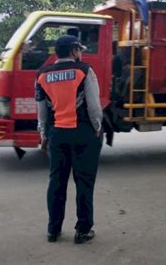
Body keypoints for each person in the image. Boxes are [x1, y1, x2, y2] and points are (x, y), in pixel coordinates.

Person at [35, 35, 103, 244]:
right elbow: (93, 106)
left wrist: (44, 135)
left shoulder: (42, 75)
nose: (81, 53)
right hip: (82, 133)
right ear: (73, 51)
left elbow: (42, 111)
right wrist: (98, 127)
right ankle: (82, 231)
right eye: (79, 50)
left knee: (56, 181)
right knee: (84, 183)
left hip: (57, 134)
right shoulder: (84, 70)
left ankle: (53, 230)